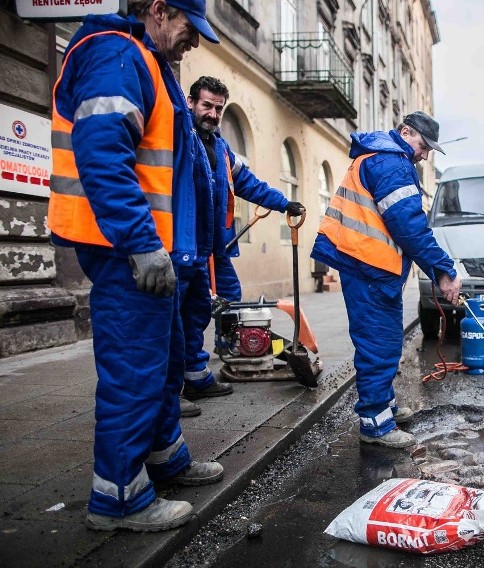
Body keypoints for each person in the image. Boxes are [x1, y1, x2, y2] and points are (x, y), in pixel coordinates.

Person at [48, 0, 225, 532]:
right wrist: (141, 242)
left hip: (151, 248)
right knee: (134, 368)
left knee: (165, 359)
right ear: (158, 9)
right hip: (127, 249)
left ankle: (164, 455)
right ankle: (119, 498)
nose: (194, 42)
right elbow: (103, 153)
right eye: (190, 29)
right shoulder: (117, 54)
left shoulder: (143, 60)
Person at [311, 111, 462, 448]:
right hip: (368, 267)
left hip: (371, 266)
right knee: (378, 342)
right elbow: (409, 226)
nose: (424, 155)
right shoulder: (390, 163)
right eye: (423, 146)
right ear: (405, 132)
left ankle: (385, 405)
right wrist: (443, 271)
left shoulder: (382, 158)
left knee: (388, 339)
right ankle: (376, 424)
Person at [178, 76, 304, 414]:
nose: (213, 113)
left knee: (209, 307)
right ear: (191, 103)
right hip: (182, 244)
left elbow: (248, 183)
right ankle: (170, 391)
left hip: (209, 247)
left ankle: (196, 373)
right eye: (207, 105)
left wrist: (283, 203)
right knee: (172, 317)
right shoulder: (181, 138)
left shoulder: (220, 147)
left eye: (219, 108)